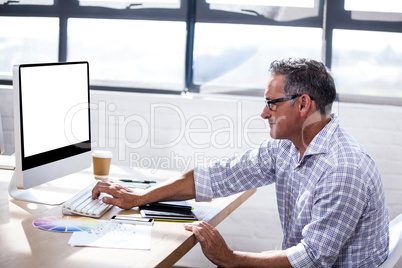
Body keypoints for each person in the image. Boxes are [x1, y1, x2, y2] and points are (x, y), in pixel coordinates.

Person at [92, 58, 389, 267]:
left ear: (302, 104)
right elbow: (217, 176)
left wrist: (230, 259)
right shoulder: (287, 147)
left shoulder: (343, 169)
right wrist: (141, 196)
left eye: (272, 103)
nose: (264, 113)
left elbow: (312, 259)